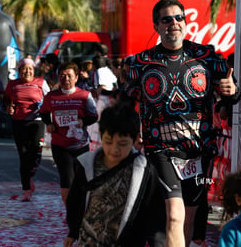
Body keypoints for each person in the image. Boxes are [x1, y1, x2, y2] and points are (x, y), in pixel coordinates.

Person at [122, 0, 240, 247]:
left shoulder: (206, 55)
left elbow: (234, 90)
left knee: (188, 219)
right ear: (156, 26)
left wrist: (233, 91)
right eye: (166, 19)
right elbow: (126, 101)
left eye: (179, 18)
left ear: (185, 22)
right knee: (174, 215)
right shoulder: (141, 63)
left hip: (199, 150)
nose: (174, 23)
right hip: (160, 149)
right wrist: (129, 132)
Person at [64, 101, 166, 247]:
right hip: (89, 242)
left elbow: (154, 214)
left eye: (122, 143)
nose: (114, 150)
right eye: (108, 141)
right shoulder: (85, 165)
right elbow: (75, 201)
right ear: (100, 135)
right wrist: (73, 231)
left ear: (136, 139)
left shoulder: (144, 171)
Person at [40, 62, 98, 206]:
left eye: (69, 76)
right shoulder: (51, 96)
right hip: (60, 144)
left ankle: (81, 208)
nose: (66, 79)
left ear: (76, 77)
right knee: (66, 180)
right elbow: (44, 113)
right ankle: (70, 211)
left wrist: (82, 122)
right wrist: (49, 124)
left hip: (80, 144)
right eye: (62, 76)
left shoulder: (85, 96)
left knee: (81, 179)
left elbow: (93, 116)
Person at [3, 58, 50, 201]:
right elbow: (7, 99)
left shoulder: (41, 83)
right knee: (24, 156)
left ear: (34, 70)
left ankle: (30, 175)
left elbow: (49, 99)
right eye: (24, 68)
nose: (27, 71)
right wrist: (9, 106)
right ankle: (27, 190)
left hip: (37, 122)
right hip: (19, 123)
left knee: (37, 152)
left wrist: (43, 107)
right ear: (19, 71)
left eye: (30, 68)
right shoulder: (13, 84)